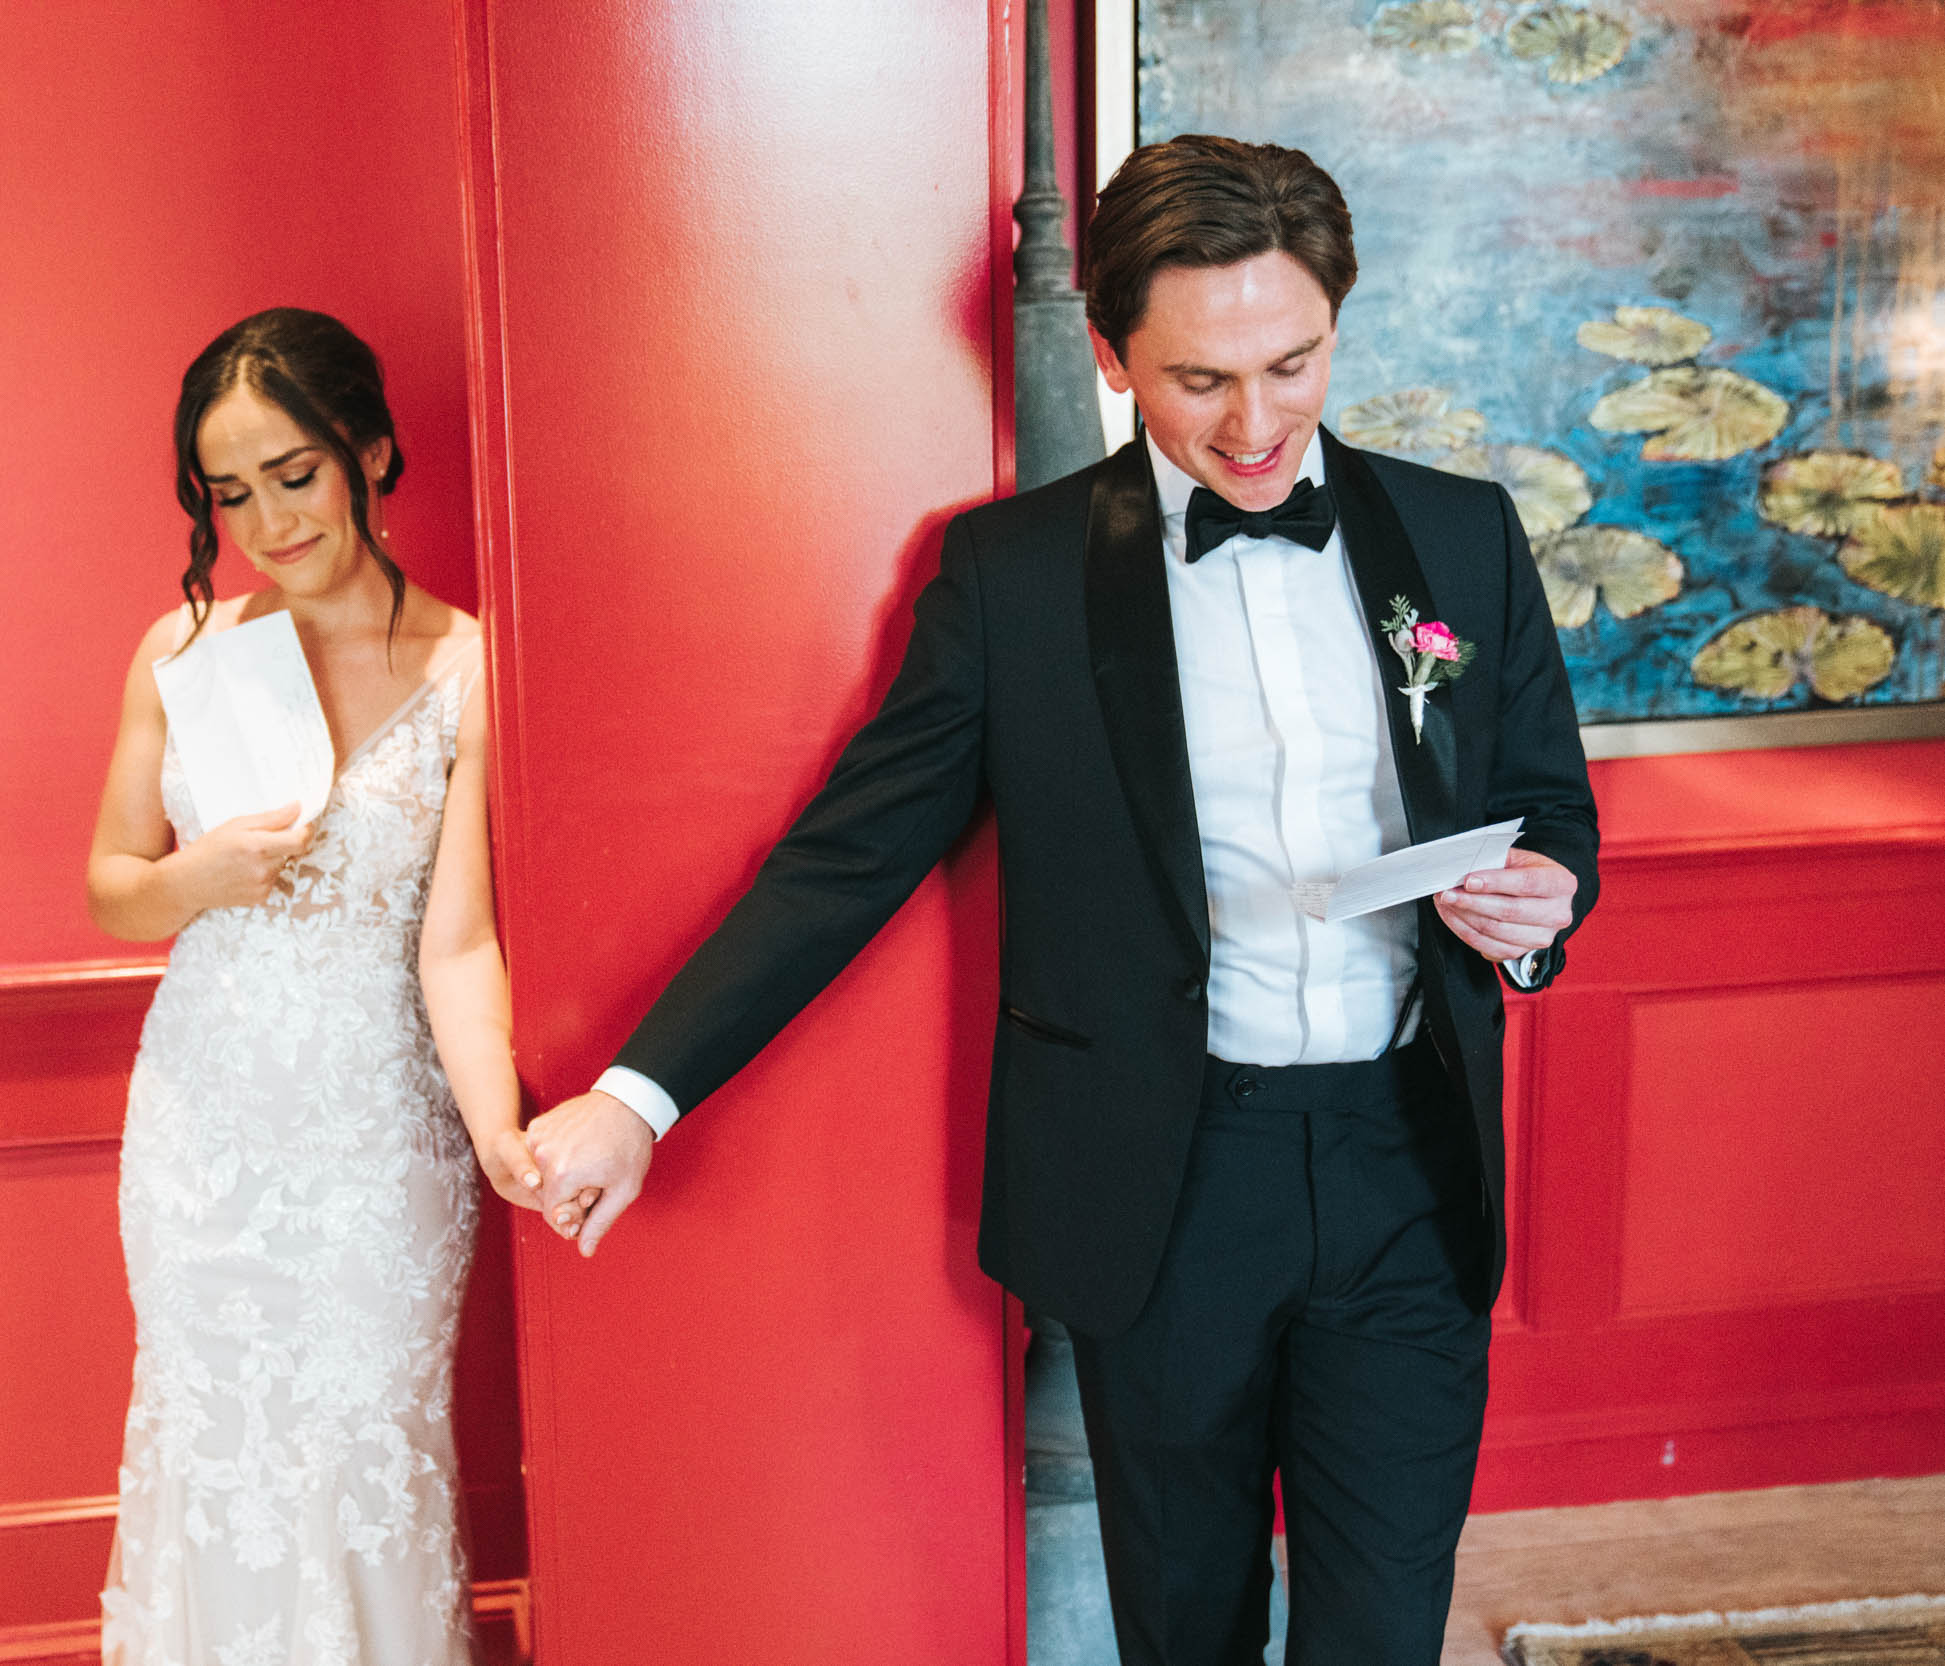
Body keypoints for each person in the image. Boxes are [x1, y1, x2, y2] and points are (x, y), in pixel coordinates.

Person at [524, 136, 1600, 1665]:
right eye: (1195, 381)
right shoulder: (1011, 577)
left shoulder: (1462, 533)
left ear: (1337, 328)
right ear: (1109, 356)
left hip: (1406, 1171)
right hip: (1163, 1185)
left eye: (1290, 366)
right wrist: (638, 1096)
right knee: (1183, 1624)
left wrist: (1540, 903)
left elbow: (1549, 804)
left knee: (1382, 1630)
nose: (1252, 426)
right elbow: (850, 851)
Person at [85, 308, 549, 1666]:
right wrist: (199, 877)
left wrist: (494, 1131)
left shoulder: (473, 665)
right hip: (201, 1126)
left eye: (294, 474)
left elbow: (456, 943)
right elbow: (113, 884)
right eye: (232, 493)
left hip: (374, 1142)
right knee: (209, 1437)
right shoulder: (179, 652)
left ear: (370, 451)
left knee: (362, 1444)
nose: (269, 520)